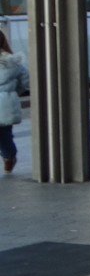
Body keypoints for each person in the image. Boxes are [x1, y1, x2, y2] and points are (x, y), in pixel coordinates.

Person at [0, 29, 29, 173]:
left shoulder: (11, 62)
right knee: (5, 135)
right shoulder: (12, 61)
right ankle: (9, 156)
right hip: (7, 103)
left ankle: (9, 156)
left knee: (4, 134)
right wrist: (12, 92)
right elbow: (24, 80)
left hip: (4, 104)